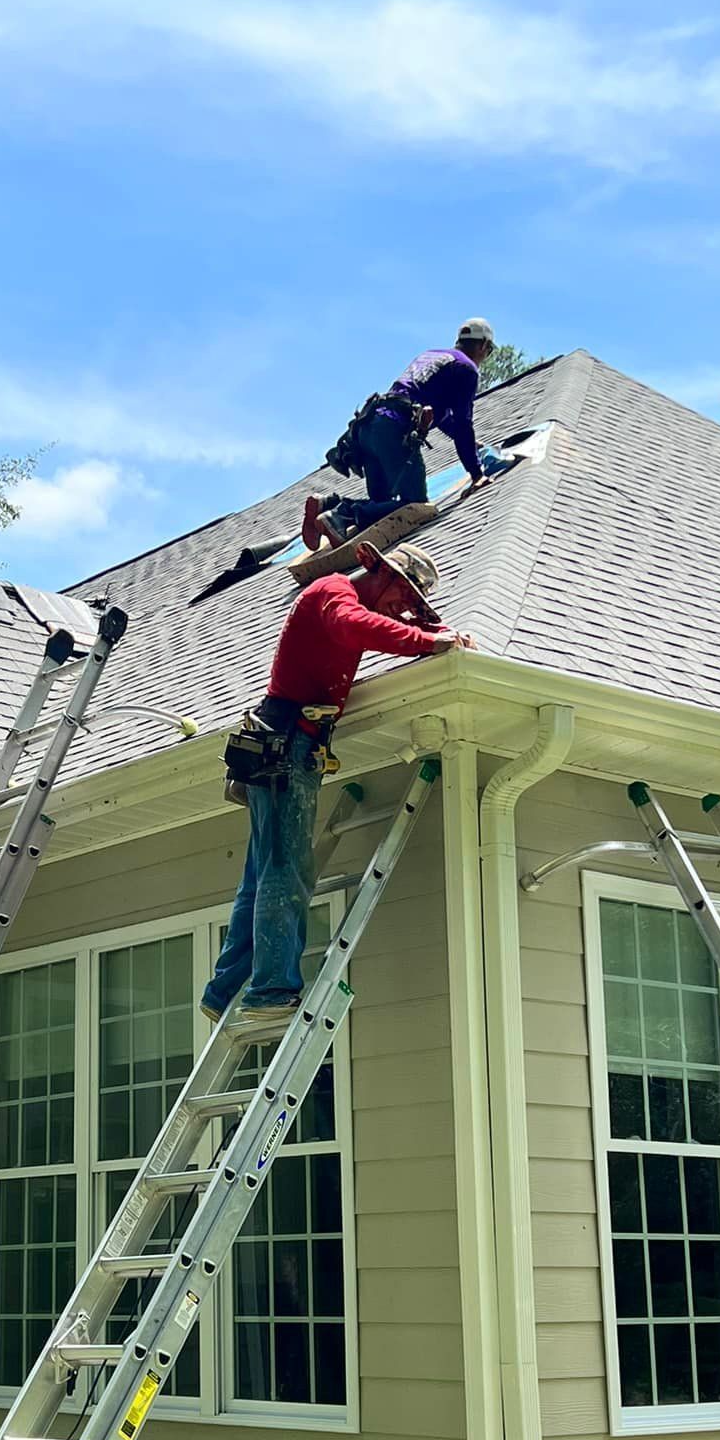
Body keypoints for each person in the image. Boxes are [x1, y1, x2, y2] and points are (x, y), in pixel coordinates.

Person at [202, 544, 474, 1024]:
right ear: (381, 574)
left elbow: (381, 624)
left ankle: (225, 988)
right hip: (286, 745)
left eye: (412, 604)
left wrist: (438, 631)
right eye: (403, 596)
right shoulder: (333, 592)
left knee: (263, 871)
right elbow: (356, 626)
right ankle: (269, 990)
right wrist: (429, 642)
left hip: (277, 743)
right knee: (286, 869)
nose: (403, 609)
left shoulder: (354, 602)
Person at [303, 317, 498, 549]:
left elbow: (445, 420)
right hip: (394, 431)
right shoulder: (466, 369)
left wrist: (471, 445)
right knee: (415, 506)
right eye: (489, 351)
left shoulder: (434, 355)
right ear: (484, 345)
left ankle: (328, 506)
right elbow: (464, 423)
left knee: (381, 507)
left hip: (369, 426)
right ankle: (343, 513)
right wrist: (477, 474)